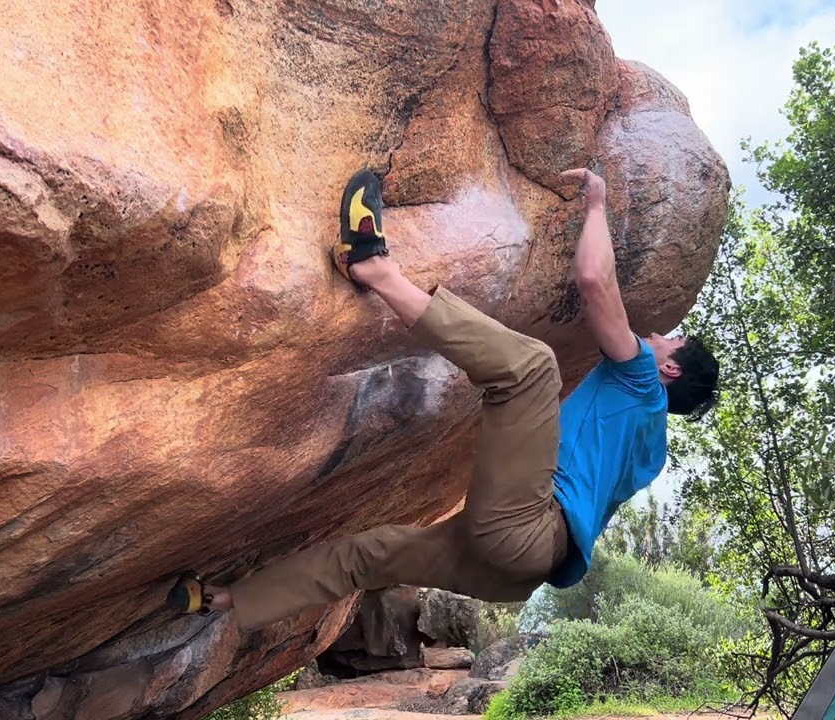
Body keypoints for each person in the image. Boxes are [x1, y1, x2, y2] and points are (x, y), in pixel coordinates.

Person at [168, 167, 719, 629]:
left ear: (669, 368)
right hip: (513, 573)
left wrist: (597, 204)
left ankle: (372, 266)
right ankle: (222, 599)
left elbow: (595, 281)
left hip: (525, 531)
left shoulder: (641, 378)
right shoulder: (651, 450)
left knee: (532, 370)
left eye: (669, 340)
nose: (655, 335)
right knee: (367, 555)